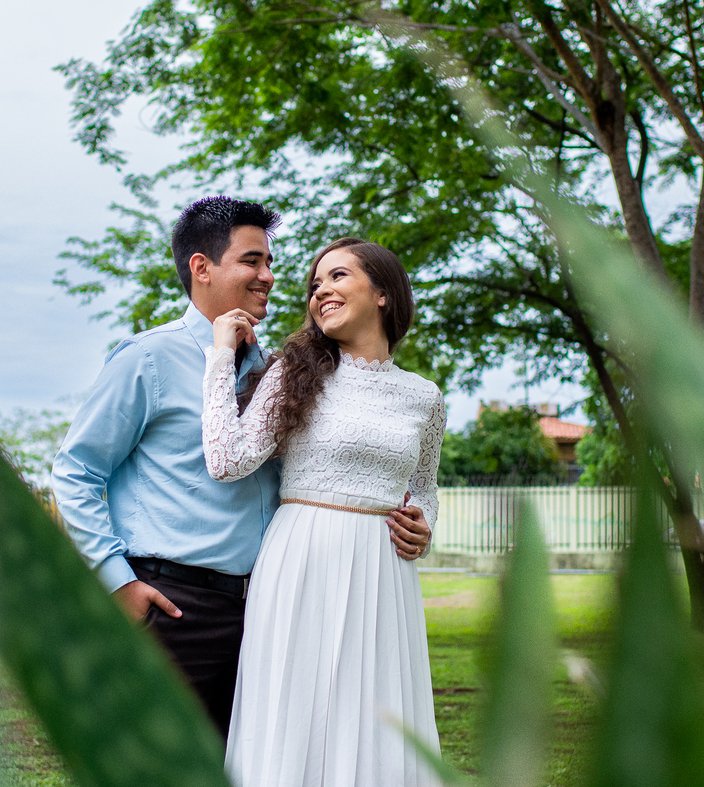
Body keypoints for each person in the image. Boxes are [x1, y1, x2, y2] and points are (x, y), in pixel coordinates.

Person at [51, 199, 435, 737]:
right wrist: (117, 581)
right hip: (172, 604)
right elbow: (76, 472)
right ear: (202, 268)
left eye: (270, 263)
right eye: (252, 261)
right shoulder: (148, 359)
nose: (269, 277)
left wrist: (416, 519)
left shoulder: (280, 369)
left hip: (267, 608)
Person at [202, 238, 446, 787]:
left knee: (379, 718)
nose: (320, 292)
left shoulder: (425, 398)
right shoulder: (294, 371)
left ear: (382, 293)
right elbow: (226, 459)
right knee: (296, 714)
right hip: (302, 560)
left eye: (337, 277)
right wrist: (220, 356)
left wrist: (424, 527)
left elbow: (425, 490)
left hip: (385, 576)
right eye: (314, 285)